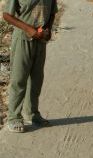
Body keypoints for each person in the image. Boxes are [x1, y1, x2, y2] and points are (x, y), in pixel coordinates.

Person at [3, 0, 58, 133]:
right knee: (19, 79)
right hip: (23, 39)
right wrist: (29, 29)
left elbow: (52, 13)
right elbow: (7, 15)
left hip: (40, 40)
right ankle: (14, 117)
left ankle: (32, 114)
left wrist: (48, 29)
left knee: (36, 80)